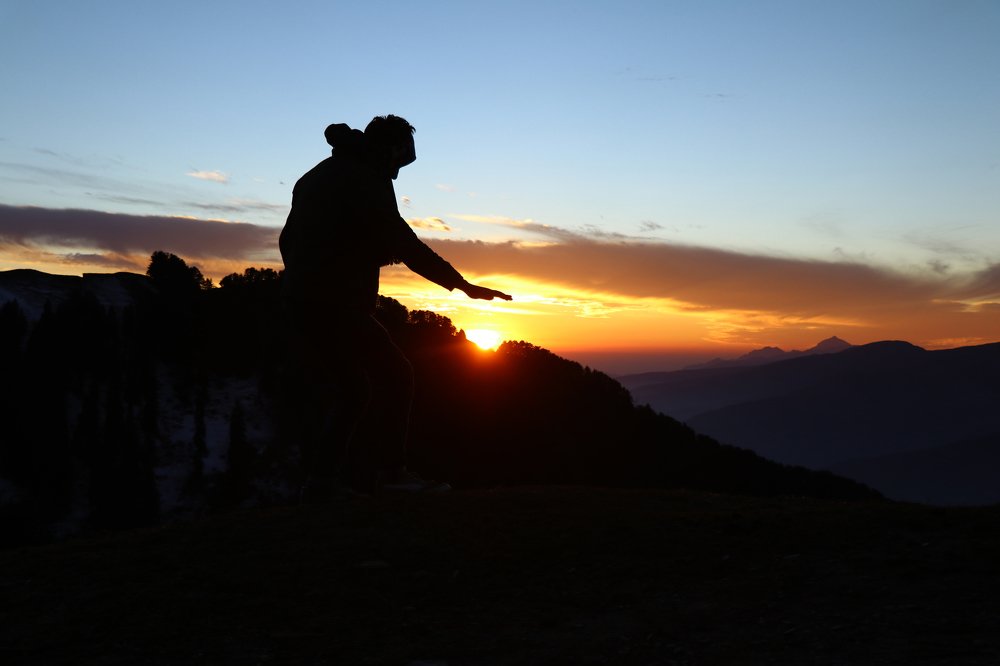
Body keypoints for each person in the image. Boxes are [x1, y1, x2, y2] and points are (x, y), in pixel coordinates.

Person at [279, 115, 510, 495]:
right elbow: (403, 243)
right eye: (403, 160)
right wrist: (462, 285)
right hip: (334, 303)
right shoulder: (366, 178)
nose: (400, 171)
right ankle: (391, 474)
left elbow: (299, 239)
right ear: (391, 150)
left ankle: (320, 482)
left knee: (354, 390)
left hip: (300, 299)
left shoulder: (322, 172)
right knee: (397, 374)